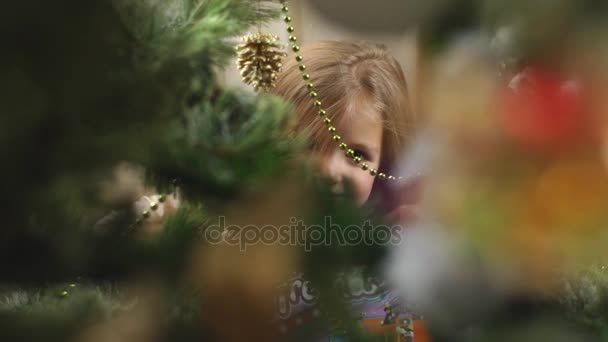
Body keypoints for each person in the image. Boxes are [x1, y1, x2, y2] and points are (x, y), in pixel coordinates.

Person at [271, 40, 426, 341]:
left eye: (356, 156)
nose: (329, 174)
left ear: (387, 162)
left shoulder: (400, 265)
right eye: (307, 145)